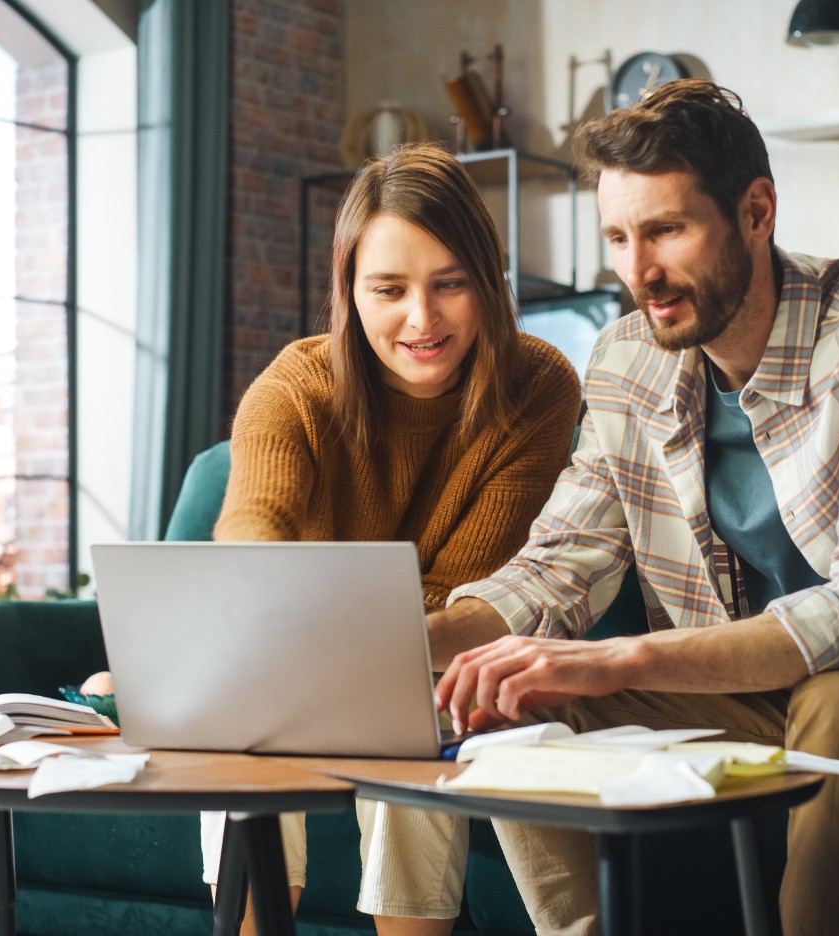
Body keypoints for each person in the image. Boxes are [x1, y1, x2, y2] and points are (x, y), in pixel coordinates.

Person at [429, 79, 839, 936]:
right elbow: (559, 563)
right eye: (617, 236)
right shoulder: (627, 359)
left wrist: (622, 660)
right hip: (751, 699)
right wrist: (399, 647)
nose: (637, 272)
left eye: (666, 231)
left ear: (757, 212)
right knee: (512, 700)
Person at [199, 141, 581, 936]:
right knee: (247, 725)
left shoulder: (539, 386)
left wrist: (340, 639)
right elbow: (250, 531)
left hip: (428, 655)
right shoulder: (298, 386)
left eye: (451, 284)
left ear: (489, 281)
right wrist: (269, 615)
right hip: (292, 660)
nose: (422, 319)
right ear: (348, 291)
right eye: (389, 289)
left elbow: (470, 591)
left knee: (417, 712)